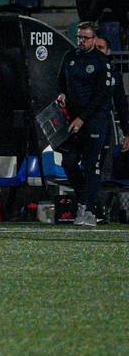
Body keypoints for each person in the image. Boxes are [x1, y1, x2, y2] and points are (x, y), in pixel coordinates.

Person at [56, 22, 114, 227]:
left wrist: (83, 118)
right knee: (68, 162)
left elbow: (101, 96)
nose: (81, 41)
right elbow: (60, 81)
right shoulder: (70, 57)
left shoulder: (101, 62)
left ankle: (88, 210)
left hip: (94, 121)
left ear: (94, 39)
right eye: (79, 37)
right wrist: (61, 93)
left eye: (85, 38)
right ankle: (87, 201)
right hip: (72, 121)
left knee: (91, 165)